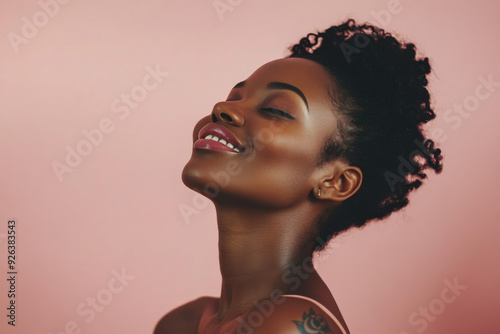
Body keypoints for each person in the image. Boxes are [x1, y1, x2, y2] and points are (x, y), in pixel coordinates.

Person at [154, 18, 443, 334]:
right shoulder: (183, 323)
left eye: (276, 111)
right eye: (235, 97)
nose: (224, 108)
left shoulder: (291, 327)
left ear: (335, 181)